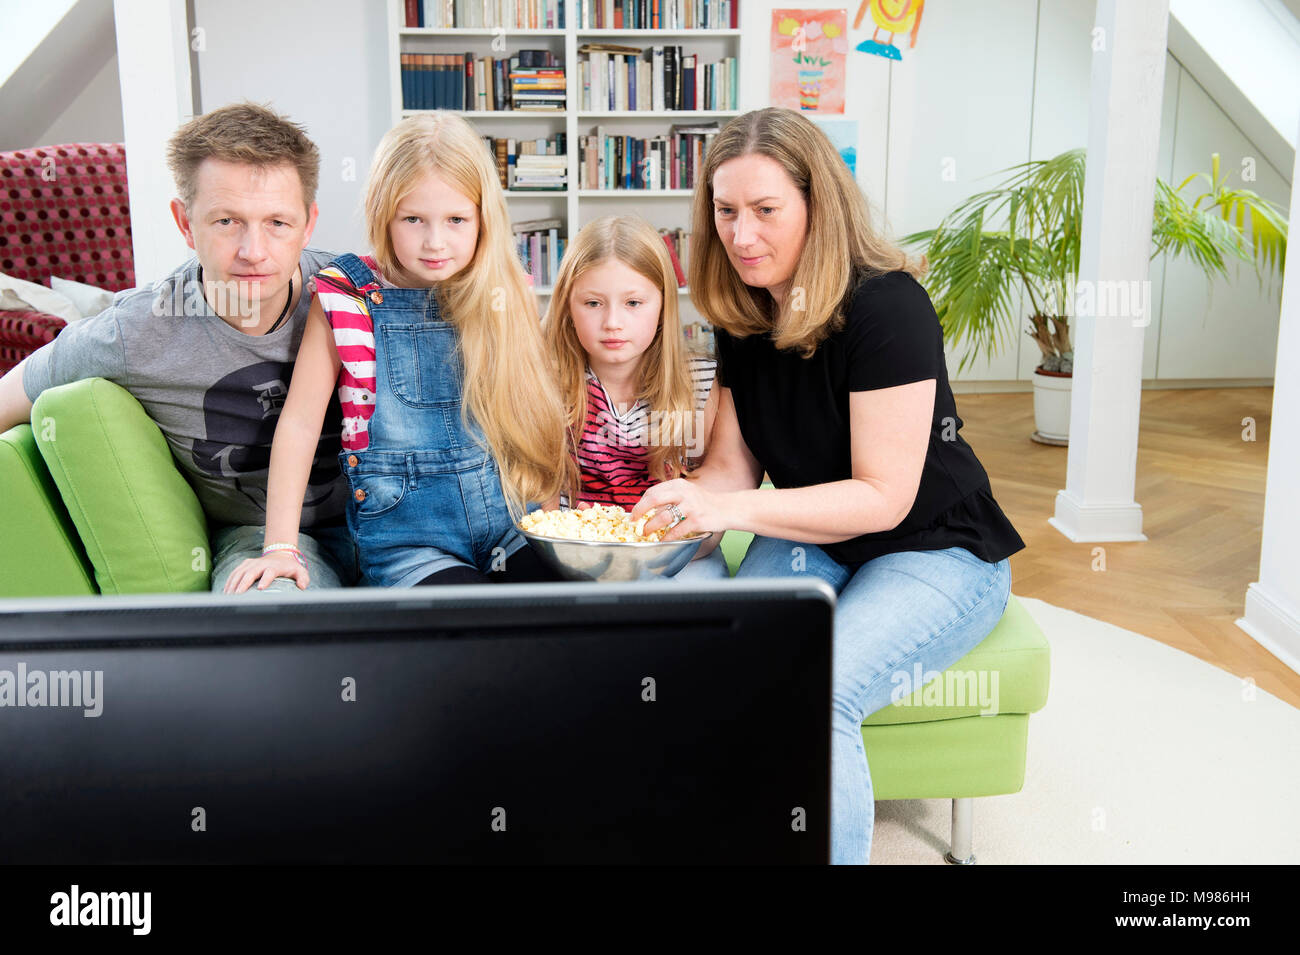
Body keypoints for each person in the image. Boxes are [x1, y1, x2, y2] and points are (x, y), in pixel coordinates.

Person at [632, 107, 1026, 863]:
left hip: (937, 545)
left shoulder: (889, 308)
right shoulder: (744, 314)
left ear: (819, 205)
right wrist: (668, 522)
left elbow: (884, 496)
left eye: (765, 210)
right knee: (738, 659)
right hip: (820, 536)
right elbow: (729, 472)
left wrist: (726, 506)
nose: (741, 236)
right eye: (725, 212)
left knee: (821, 690)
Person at [0, 102, 358, 593]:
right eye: (227, 221)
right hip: (258, 540)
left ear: (308, 222)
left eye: (277, 222)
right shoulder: (137, 330)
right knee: (269, 623)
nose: (254, 251)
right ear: (185, 222)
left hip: (391, 521)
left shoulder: (357, 294)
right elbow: (10, 394)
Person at [224, 112, 568, 593]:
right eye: (413, 219)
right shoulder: (348, 300)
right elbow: (300, 423)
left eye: (456, 220)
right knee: (472, 628)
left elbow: (533, 416)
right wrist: (280, 546)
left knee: (566, 618)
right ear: (383, 215)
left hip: (512, 528)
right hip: (410, 545)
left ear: (482, 218)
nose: (435, 242)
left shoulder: (505, 295)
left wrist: (553, 525)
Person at [542, 215, 728, 579]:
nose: (613, 322)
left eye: (633, 303)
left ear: (662, 307)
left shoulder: (700, 383)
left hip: (680, 556)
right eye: (593, 303)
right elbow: (545, 507)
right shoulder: (547, 383)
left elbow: (709, 512)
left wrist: (664, 555)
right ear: (567, 306)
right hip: (580, 559)